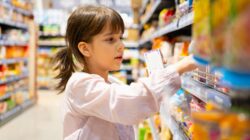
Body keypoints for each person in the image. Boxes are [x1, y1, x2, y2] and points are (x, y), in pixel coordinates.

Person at [53, 5, 197, 140]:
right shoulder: (79, 85)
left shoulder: (112, 83)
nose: (121, 46)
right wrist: (183, 65)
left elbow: (137, 104)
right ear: (85, 49)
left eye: (120, 38)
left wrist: (156, 78)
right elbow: (132, 104)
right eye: (110, 39)